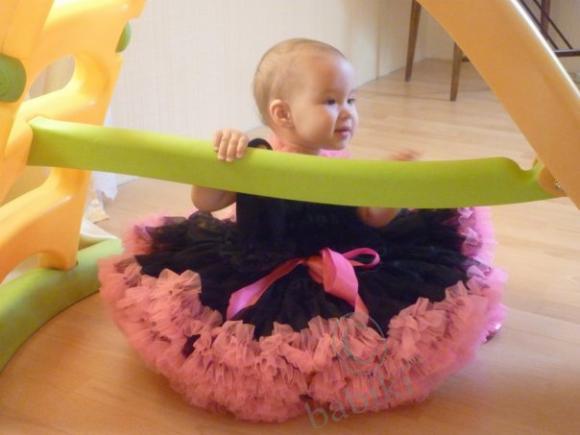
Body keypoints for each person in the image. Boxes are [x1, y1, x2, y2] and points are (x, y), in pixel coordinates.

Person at [99, 38, 505, 423]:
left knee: (367, 329)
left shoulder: (340, 165)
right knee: (265, 341)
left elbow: (373, 219)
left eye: (351, 99)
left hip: (342, 264)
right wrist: (219, 161)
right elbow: (206, 202)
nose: (347, 112)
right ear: (283, 114)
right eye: (330, 101)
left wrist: (392, 187)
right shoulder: (256, 159)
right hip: (261, 264)